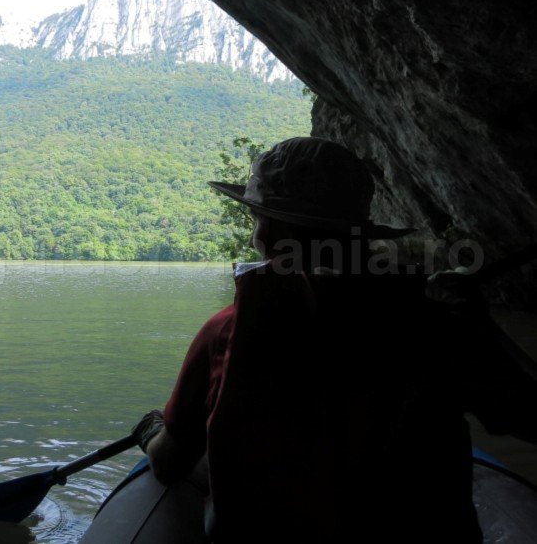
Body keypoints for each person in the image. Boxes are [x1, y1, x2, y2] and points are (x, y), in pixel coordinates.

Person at [132, 137, 537, 543]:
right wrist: (485, 334)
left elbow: (170, 462)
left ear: (272, 230)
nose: (255, 235)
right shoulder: (438, 324)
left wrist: (151, 431)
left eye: (256, 219)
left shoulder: (225, 331)